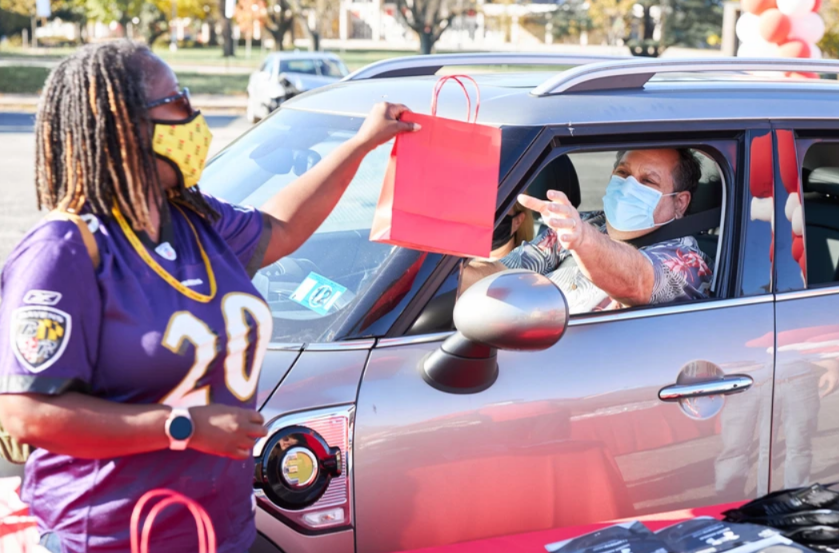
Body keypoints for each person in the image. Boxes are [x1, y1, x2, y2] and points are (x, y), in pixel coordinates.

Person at [0, 41, 417, 553]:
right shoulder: (64, 251)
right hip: (108, 538)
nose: (195, 118)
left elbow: (280, 227)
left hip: (216, 532)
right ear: (124, 125)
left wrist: (362, 144)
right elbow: (27, 414)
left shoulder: (195, 221)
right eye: (178, 102)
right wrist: (182, 427)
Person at [464, 149, 713, 314]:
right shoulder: (584, 223)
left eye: (647, 181)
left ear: (680, 203)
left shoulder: (688, 260)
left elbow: (637, 281)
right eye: (623, 173)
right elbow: (500, 274)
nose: (628, 187)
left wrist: (582, 239)